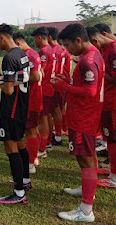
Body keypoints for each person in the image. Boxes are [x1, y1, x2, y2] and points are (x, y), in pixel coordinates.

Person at [52, 24, 104, 222]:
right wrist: (69, 81)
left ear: (78, 41)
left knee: (85, 159)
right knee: (88, 157)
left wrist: (64, 86)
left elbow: (90, 92)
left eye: (67, 45)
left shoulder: (87, 61)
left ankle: (86, 210)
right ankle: (86, 188)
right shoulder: (92, 54)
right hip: (86, 115)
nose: (66, 50)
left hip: (83, 117)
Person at [0, 24, 30, 204]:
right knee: (20, 144)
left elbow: (8, 90)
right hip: (22, 106)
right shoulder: (22, 54)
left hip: (11, 109)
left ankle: (19, 194)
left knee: (11, 147)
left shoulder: (9, 58)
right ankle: (25, 181)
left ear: (2, 37)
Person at [87, 26, 116, 188]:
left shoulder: (113, 50)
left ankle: (114, 178)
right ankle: (112, 168)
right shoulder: (107, 49)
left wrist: (98, 71)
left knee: (113, 139)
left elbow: (114, 78)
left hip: (112, 102)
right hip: (106, 100)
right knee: (109, 137)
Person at [13, 32, 42, 173]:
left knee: (30, 130)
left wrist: (14, 78)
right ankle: (34, 157)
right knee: (32, 129)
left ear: (18, 43)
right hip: (33, 97)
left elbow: (35, 77)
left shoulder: (29, 55)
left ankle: (30, 164)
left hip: (32, 98)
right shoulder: (31, 54)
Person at [32, 27, 56, 158]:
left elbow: (41, 71)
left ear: (39, 38)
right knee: (46, 117)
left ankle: (42, 148)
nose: (34, 42)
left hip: (44, 88)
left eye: (34, 39)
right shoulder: (51, 50)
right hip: (49, 88)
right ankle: (47, 143)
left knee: (43, 118)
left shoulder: (43, 52)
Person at [48, 27, 68, 146]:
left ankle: (58, 136)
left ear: (49, 37)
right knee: (61, 108)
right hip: (63, 81)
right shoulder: (64, 50)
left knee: (54, 111)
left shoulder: (52, 51)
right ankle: (62, 130)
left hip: (55, 83)